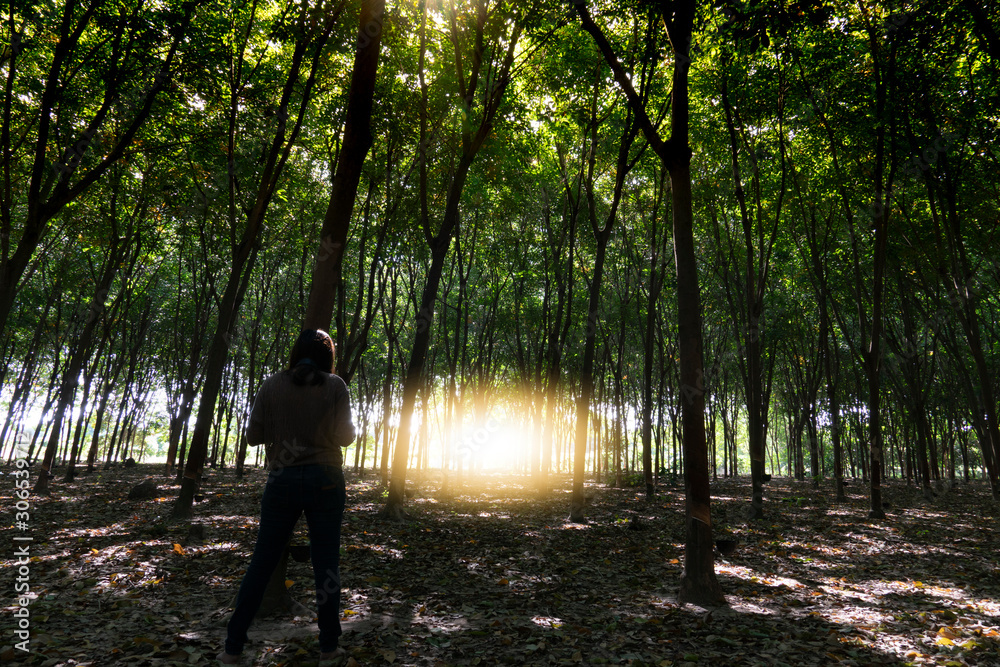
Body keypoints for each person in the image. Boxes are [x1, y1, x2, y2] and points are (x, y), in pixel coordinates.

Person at [218, 329, 355, 664]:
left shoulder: (270, 385)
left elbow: (252, 436)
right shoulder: (335, 386)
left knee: (262, 563)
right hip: (325, 479)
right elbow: (345, 437)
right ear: (327, 357)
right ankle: (329, 649)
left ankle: (232, 649)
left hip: (281, 480)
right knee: (326, 566)